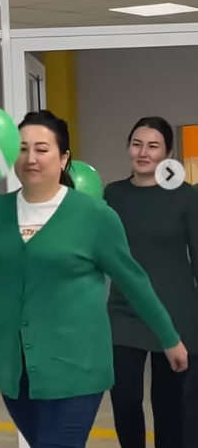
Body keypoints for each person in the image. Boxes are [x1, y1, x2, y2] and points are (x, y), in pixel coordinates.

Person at [0, 110, 188, 448]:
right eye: (22, 149)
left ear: (63, 158)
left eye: (42, 149)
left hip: (76, 371)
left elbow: (134, 281)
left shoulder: (94, 216)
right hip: (16, 375)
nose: (30, 158)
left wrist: (169, 338)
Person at [104, 116, 198, 448]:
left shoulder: (186, 196)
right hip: (124, 310)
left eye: (153, 146)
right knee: (124, 400)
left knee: (170, 406)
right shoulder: (113, 194)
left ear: (167, 153)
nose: (143, 152)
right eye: (137, 144)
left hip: (177, 312)